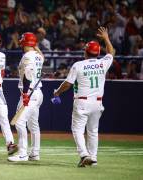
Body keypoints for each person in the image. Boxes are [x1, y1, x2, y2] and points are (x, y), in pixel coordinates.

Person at [51, 27, 115, 167]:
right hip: (98, 103)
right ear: (98, 53)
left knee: (77, 130)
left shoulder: (78, 65)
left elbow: (68, 84)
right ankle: (93, 158)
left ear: (85, 52)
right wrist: (106, 38)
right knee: (93, 131)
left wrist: (57, 92)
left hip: (82, 102)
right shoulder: (103, 63)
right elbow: (111, 52)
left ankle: (84, 155)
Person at [8, 32, 44, 162]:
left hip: (30, 92)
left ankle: (23, 154)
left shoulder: (27, 56)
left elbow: (27, 75)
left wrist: (25, 94)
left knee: (19, 122)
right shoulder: (38, 56)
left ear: (24, 42)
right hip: (37, 93)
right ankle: (35, 153)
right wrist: (35, 45)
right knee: (33, 125)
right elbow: (42, 56)